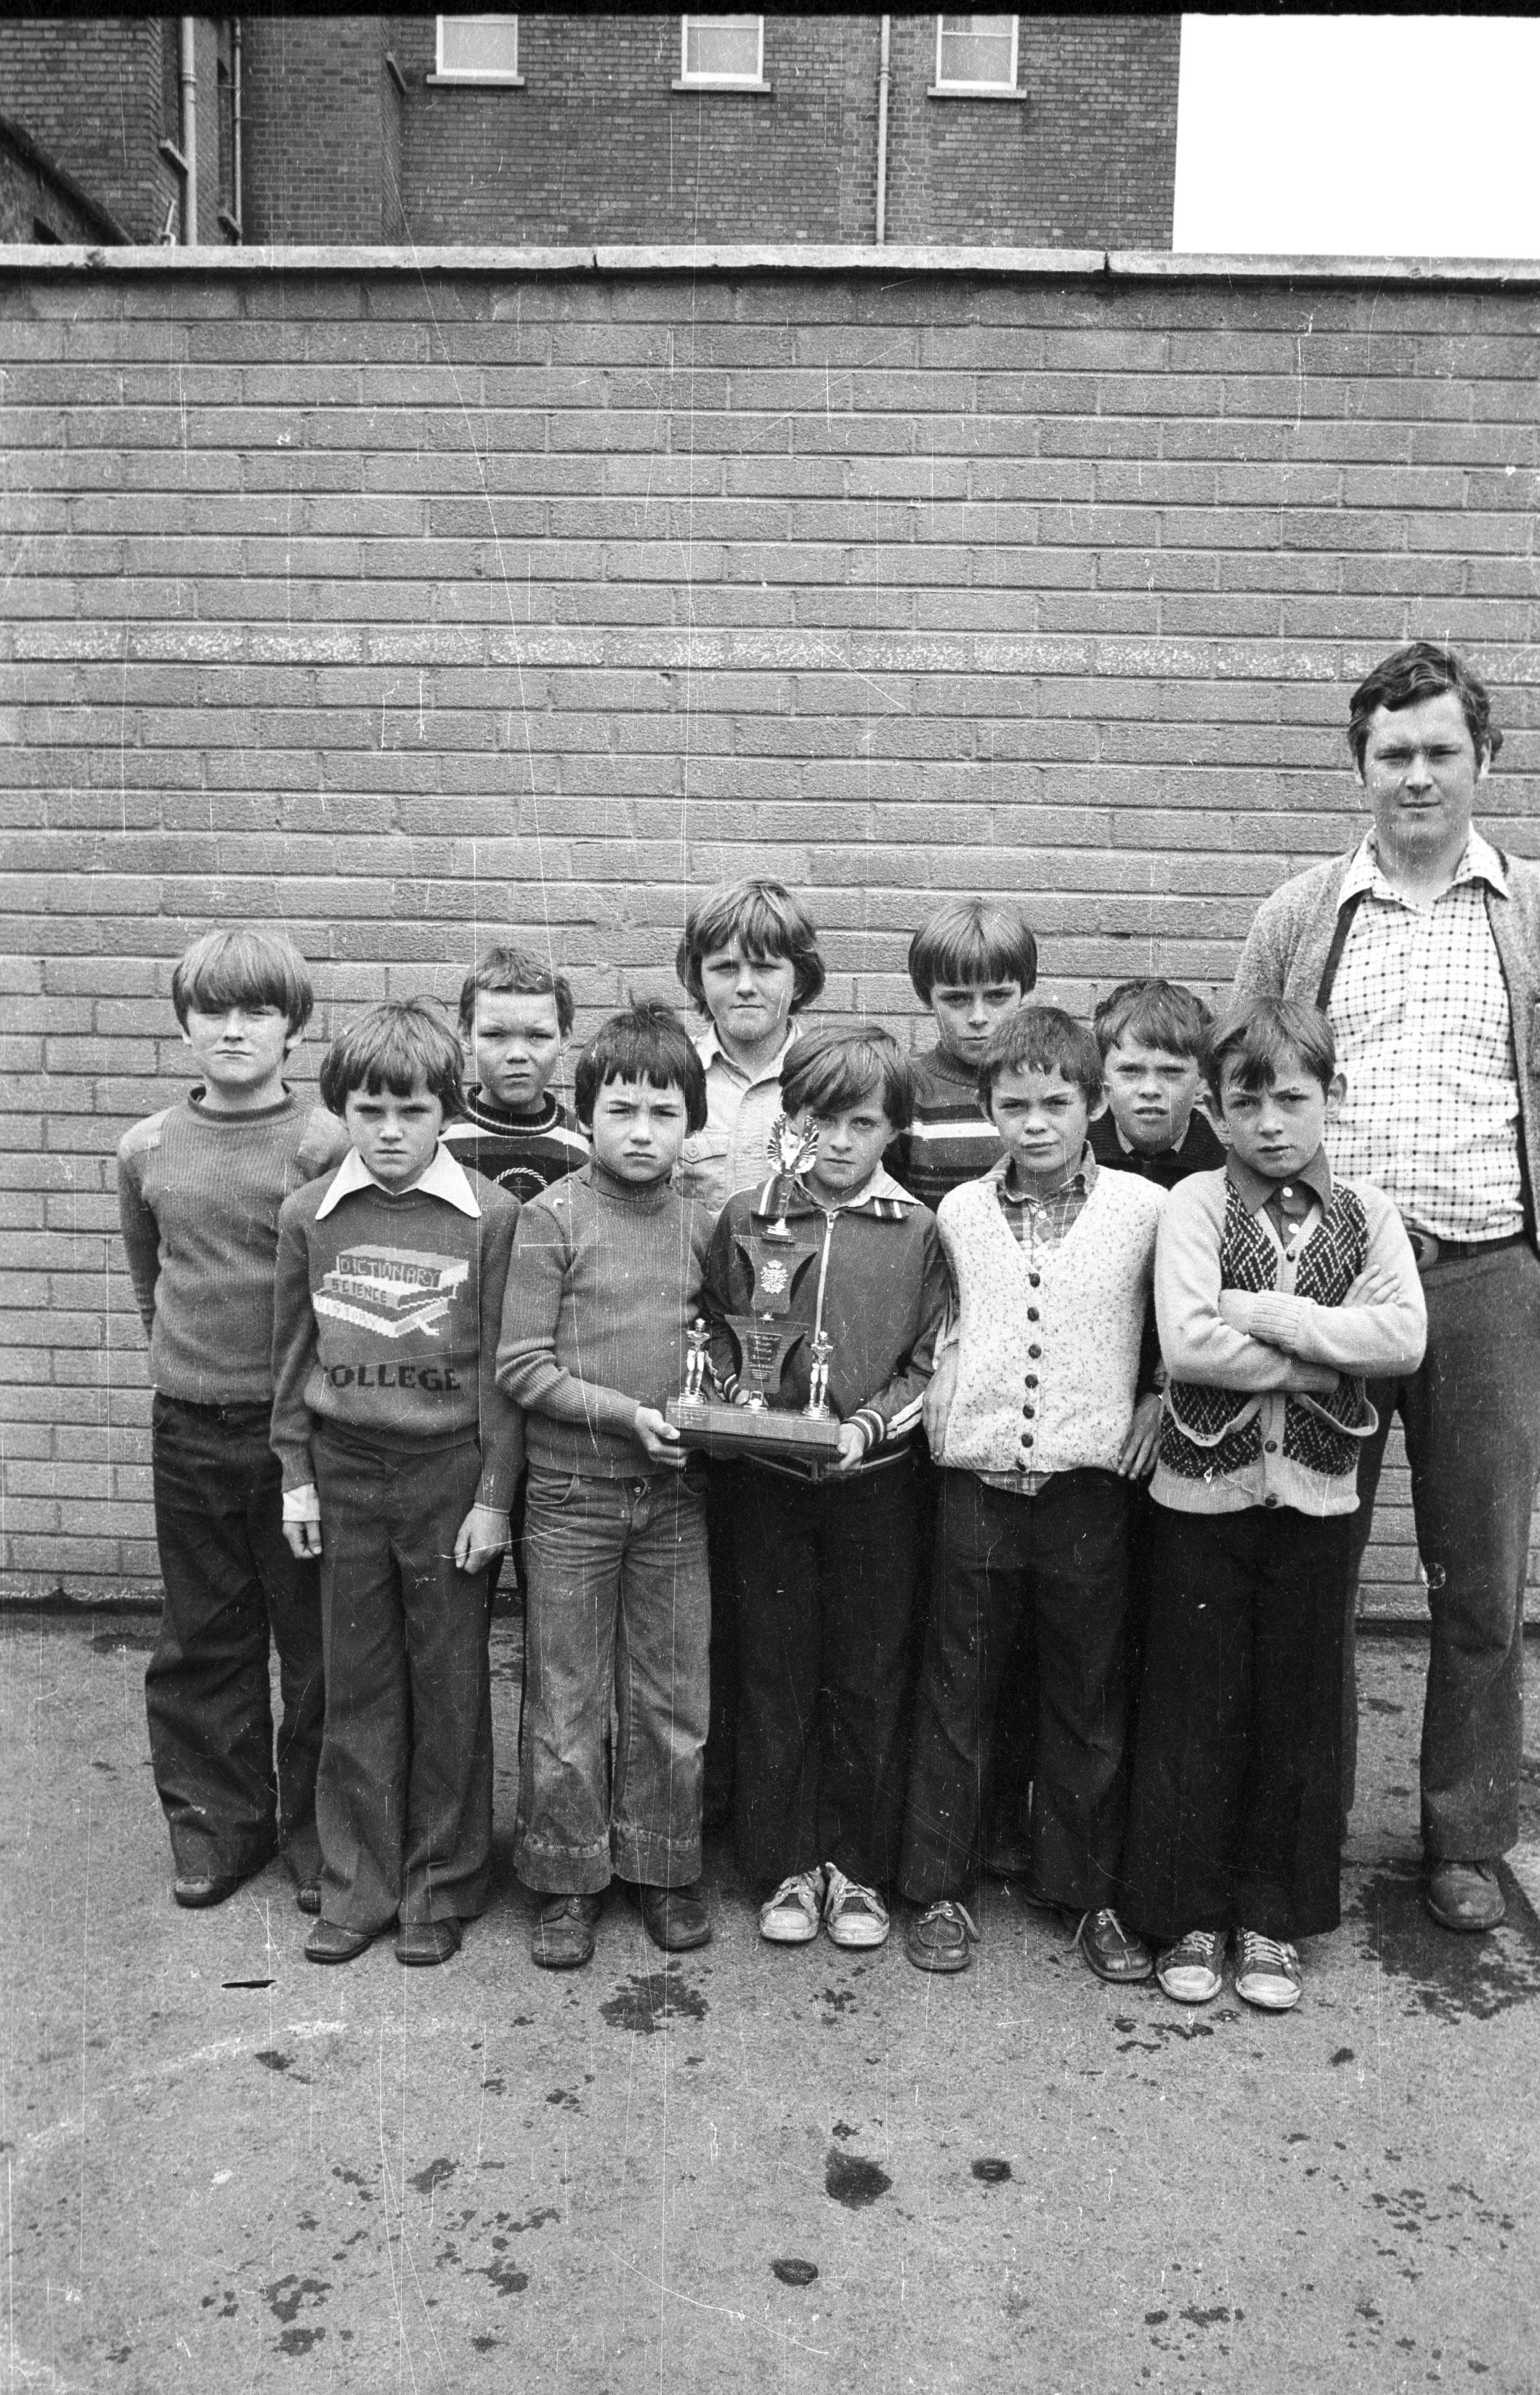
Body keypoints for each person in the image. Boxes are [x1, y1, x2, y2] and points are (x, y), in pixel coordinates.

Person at [1234, 641, 1540, 1936]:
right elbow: (1248, 1084)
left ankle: (1464, 1838)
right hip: (1334, 1279)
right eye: (1392, 753)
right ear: (1359, 766)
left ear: (1483, 761)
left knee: (1479, 1579)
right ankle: (1299, 1827)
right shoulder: (1304, 913)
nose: (1417, 775)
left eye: (1440, 752)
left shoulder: (1525, 911)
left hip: (1482, 1278)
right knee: (1312, 1558)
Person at [1123, 998, 1425, 2011]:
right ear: (1216, 1108)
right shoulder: (1197, 1208)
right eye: (1246, 1101)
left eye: (1294, 1099)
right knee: (1195, 1703)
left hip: (1318, 1500)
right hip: (1199, 1497)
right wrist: (1311, 1364)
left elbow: (1402, 1341)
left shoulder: (1370, 1214)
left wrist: (1273, 1316)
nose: (1270, 1124)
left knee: (1296, 1709)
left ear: (1330, 1100)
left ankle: (1272, 1921)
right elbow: (1191, 1342)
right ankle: (1188, 1915)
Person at [898, 1006, 1164, 1978]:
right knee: (959, 1686)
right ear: (989, 1109)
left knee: (1085, 1690)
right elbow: (939, 1326)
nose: (1038, 1123)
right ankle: (941, 1887)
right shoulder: (962, 1213)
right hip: (976, 1480)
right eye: (1016, 1104)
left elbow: (1177, 1322)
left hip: (1088, 1485)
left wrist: (1160, 1400)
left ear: (1094, 1104)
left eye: (1058, 1102)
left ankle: (1085, 1889)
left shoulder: (1141, 1210)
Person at [271, 1001, 521, 1967]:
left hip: (445, 1472)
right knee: (358, 1681)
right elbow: (291, 1359)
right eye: (369, 1110)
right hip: (344, 1471)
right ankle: (359, 1883)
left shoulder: (488, 1218)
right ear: (343, 1110)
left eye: (410, 1112)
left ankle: (442, 1884)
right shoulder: (310, 1217)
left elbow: (505, 1373)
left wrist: (494, 1496)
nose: (387, 1132)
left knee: (451, 1678)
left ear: (445, 1113)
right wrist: (295, 1477)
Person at [116, 926, 349, 1912]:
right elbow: (151, 1279)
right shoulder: (145, 1148)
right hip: (190, 1429)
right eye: (213, 1009)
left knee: (316, 1638)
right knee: (204, 1637)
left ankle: (317, 1832)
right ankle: (218, 1826)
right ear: (184, 1024)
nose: (235, 1027)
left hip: (296, 1433)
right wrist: (187, 1376)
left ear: (293, 1026)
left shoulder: (321, 1142)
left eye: (258, 1009)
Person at [703, 1026, 949, 1950]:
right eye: (817, 1120)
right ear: (788, 1120)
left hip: (874, 1483)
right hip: (766, 1481)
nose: (837, 1141)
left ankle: (856, 1867)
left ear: (892, 1129)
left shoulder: (916, 1230)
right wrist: (737, 1401)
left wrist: (863, 1424)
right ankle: (782, 1865)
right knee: (774, 1667)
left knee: (868, 1670)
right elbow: (716, 1332)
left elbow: (931, 1355)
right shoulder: (744, 1216)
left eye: (860, 1122)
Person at [496, 1003, 715, 1970]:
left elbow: (736, 1356)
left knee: (671, 1694)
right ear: (584, 1114)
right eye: (621, 1108)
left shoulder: (709, 1219)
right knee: (567, 1695)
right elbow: (521, 1365)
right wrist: (626, 1415)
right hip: (572, 1500)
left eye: (663, 1113)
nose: (641, 1131)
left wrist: (705, 1424)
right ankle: (566, 1879)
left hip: (674, 1500)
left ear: (690, 1124)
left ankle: (662, 1869)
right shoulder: (553, 1217)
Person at [674, 878, 827, 1830]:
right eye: (722, 966)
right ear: (698, 977)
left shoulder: (831, 1077)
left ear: (799, 977)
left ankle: (776, 1804)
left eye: (763, 965)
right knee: (701, 1602)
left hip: (800, 1366)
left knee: (781, 1609)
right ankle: (710, 1802)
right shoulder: (677, 1076)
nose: (743, 984)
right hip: (695, 1361)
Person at [887, 896, 1040, 1208]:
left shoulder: (1051, 1085)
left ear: (1025, 989)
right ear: (926, 996)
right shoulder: (908, 1089)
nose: (978, 1017)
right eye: (957, 1000)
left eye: (998, 996)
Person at [443, 942, 589, 1203]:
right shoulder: (441, 1137)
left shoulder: (582, 1143)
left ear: (564, 1038)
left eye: (537, 1035)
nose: (517, 1055)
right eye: (495, 1035)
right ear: (466, 1036)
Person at [1090, 978, 1225, 1189]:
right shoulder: (1071, 1164)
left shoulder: (1222, 1177)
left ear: (1203, 1077)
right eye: (1130, 1071)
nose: (1150, 1090)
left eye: (1171, 1071)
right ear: (1101, 1075)